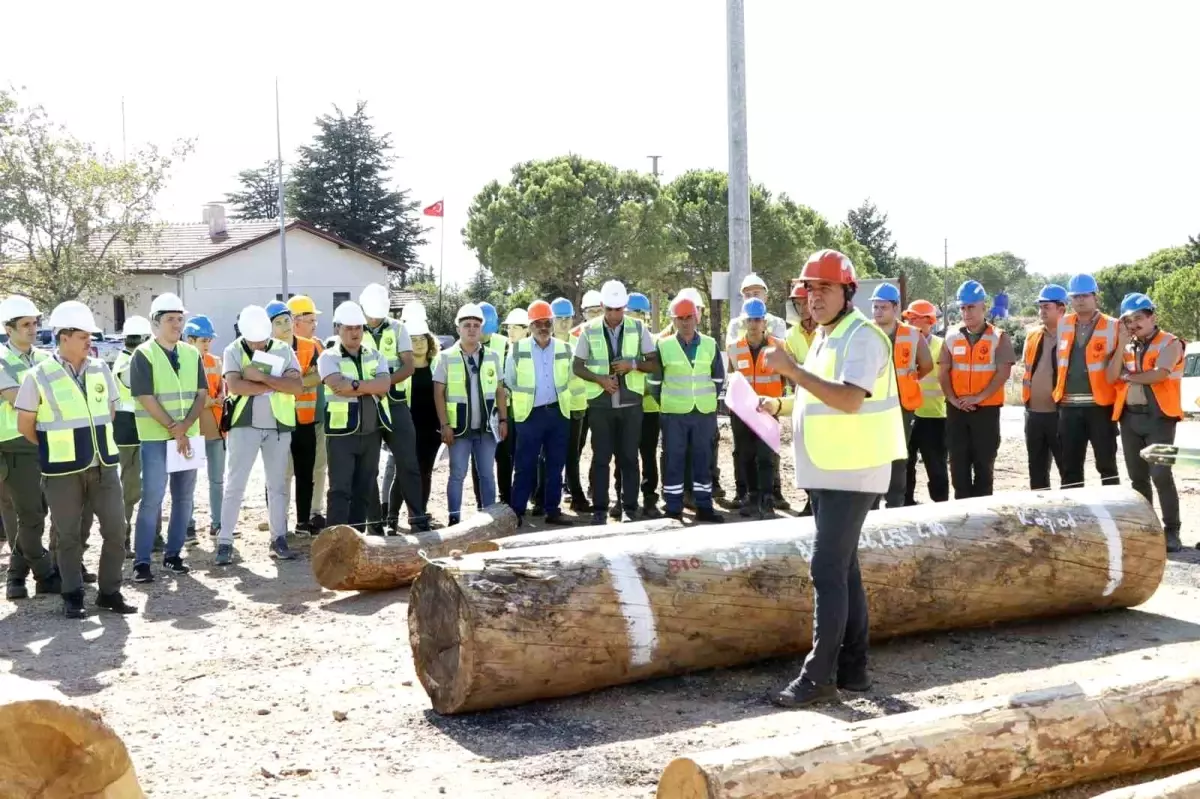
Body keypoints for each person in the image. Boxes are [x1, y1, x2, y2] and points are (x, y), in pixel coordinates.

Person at [760, 249, 905, 707]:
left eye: (824, 288)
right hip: (830, 468)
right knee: (845, 570)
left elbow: (848, 400)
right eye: (809, 289)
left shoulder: (861, 337)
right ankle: (853, 669)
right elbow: (818, 398)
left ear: (847, 292)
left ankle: (819, 676)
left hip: (852, 468)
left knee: (826, 569)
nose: (814, 297)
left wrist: (791, 372)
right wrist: (780, 404)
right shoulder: (828, 335)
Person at [15, 302, 135, 618]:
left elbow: (109, 411)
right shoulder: (38, 375)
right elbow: (25, 424)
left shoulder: (100, 368)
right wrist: (55, 447)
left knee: (115, 530)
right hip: (62, 470)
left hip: (104, 464)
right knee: (67, 535)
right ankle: (72, 594)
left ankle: (110, 593)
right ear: (64, 336)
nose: (89, 341)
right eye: (83, 336)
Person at [213, 305, 303, 566]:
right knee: (235, 484)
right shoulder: (233, 350)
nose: (258, 344)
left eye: (262, 340)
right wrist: (275, 384)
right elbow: (235, 385)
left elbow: (296, 386)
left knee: (278, 485)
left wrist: (260, 377)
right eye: (253, 341)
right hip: (244, 425)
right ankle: (225, 541)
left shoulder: (283, 349)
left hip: (278, 425)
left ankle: (279, 538)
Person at [131, 292, 207, 582]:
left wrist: (185, 426)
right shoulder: (144, 354)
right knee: (152, 498)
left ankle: (173, 556)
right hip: (156, 438)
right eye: (170, 319)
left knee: (184, 498)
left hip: (187, 436)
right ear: (156, 322)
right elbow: (144, 396)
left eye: (179, 319)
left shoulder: (191, 353)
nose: (177, 324)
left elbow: (201, 394)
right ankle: (142, 562)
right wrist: (175, 428)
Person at [573, 280, 658, 524]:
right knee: (601, 458)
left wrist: (632, 365)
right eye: (609, 309)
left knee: (629, 458)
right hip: (601, 405)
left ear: (625, 306)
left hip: (631, 405)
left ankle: (630, 509)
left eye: (618, 309)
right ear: (601, 306)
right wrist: (599, 379)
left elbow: (653, 363)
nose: (614, 314)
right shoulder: (588, 330)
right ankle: (600, 510)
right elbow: (577, 366)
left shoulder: (638, 328)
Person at [1107, 293, 1183, 552]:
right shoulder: (1127, 345)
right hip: (1130, 418)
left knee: (1161, 475)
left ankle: (1172, 531)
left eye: (1139, 318)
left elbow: (1159, 375)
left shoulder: (1170, 342)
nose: (1134, 324)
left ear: (1153, 317)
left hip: (1160, 419)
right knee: (1137, 478)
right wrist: (1119, 346)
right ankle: (1147, 530)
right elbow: (1110, 376)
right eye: (1129, 320)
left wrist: (1127, 377)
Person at [0, 294, 60, 600]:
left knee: (38, 511)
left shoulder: (44, 359)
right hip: (12, 445)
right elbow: (16, 399)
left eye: (35, 323)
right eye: (25, 324)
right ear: (8, 329)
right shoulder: (0, 359)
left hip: (41, 440)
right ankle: (44, 573)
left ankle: (17, 577)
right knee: (30, 515)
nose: (32, 329)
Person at [360, 284, 432, 533]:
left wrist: (383, 383)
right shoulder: (354, 329)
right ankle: (374, 523)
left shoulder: (399, 328)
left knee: (408, 463)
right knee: (369, 466)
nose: (375, 318)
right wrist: (372, 388)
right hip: (366, 404)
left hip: (396, 402)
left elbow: (408, 366)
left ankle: (417, 519)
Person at [317, 301, 393, 531]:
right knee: (340, 489)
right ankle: (336, 540)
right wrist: (370, 386)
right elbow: (337, 385)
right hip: (341, 434)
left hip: (371, 431)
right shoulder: (328, 357)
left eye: (358, 327)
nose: (354, 332)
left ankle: (357, 539)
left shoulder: (376, 355)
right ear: (338, 329)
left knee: (364, 487)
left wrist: (355, 385)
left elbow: (385, 384)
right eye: (349, 328)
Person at [939, 280, 1015, 499]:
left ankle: (982, 516)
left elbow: (1003, 373)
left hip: (986, 410)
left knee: (984, 463)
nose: (966, 312)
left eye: (971, 307)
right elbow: (943, 371)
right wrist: (952, 399)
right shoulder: (951, 336)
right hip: (957, 410)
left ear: (984, 306)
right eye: (963, 307)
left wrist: (978, 397)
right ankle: (960, 513)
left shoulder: (999, 337)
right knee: (957, 463)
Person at [435, 303, 507, 525]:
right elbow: (438, 393)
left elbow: (499, 391)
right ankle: (454, 520)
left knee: (487, 474)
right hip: (459, 429)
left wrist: (503, 420)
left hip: (486, 429)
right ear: (458, 328)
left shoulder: (493, 356)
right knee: (457, 475)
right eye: (467, 325)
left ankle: (489, 520)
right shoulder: (445, 357)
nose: (472, 329)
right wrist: (445, 425)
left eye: (476, 325)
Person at [657, 296, 724, 524]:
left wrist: (706, 400)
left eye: (689, 317)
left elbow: (717, 378)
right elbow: (655, 382)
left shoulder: (709, 343)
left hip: (703, 413)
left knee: (702, 459)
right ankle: (673, 507)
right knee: (674, 459)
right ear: (674, 321)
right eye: (680, 318)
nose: (685, 322)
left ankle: (704, 506)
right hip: (674, 414)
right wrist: (667, 403)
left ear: (696, 318)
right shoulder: (664, 345)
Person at [507, 300, 574, 527]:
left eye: (547, 322)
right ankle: (517, 511)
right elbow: (510, 381)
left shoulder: (565, 349)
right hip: (529, 416)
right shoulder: (517, 349)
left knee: (556, 465)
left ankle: (552, 510)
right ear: (530, 325)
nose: (543, 327)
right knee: (524, 465)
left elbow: (572, 380)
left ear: (552, 323)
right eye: (538, 323)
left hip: (558, 414)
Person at [1054, 273, 1120, 488]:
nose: (1080, 300)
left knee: (1106, 464)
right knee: (1070, 466)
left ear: (1095, 297)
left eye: (1084, 295)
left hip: (1100, 406)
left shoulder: (1113, 325)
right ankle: (1074, 515)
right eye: (1075, 296)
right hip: (1069, 406)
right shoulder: (1063, 324)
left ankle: (1114, 509)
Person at [869, 283, 932, 508]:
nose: (877, 311)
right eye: (875, 307)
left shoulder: (913, 335)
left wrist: (908, 381)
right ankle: (872, 503)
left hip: (902, 407)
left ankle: (895, 503)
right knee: (874, 457)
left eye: (882, 307)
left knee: (898, 457)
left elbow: (926, 365)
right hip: (872, 406)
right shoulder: (865, 332)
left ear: (895, 308)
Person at [266, 301, 323, 535]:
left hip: (305, 419)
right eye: (278, 323)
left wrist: (289, 384)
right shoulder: (266, 350)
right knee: (276, 475)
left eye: (287, 320)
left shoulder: (310, 346)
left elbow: (320, 374)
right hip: (277, 421)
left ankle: (302, 522)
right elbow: (265, 382)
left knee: (305, 473)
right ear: (270, 328)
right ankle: (277, 523)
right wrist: (300, 380)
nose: (284, 326)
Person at [727, 298, 783, 518]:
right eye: (750, 319)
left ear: (764, 322)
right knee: (746, 455)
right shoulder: (733, 348)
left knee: (766, 456)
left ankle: (767, 498)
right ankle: (751, 497)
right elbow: (731, 377)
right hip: (742, 412)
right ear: (744, 322)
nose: (753, 324)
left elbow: (786, 376)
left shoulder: (778, 347)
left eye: (757, 319)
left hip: (768, 409)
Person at [178, 315, 226, 543]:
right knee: (188, 481)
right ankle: (188, 526)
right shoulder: (180, 362)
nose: (207, 344)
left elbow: (222, 391)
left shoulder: (216, 362)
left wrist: (216, 401)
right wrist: (209, 402)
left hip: (215, 429)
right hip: (191, 430)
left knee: (217, 479)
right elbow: (188, 397)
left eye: (209, 340)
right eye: (202, 340)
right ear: (190, 339)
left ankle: (218, 523)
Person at [615, 291, 662, 518]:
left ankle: (650, 498)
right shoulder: (616, 343)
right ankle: (621, 498)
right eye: (632, 313)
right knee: (623, 455)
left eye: (640, 314)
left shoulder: (652, 341)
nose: (636, 318)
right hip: (625, 406)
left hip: (649, 408)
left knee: (648, 455)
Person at [112, 315, 152, 555]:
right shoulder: (128, 363)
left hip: (135, 426)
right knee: (131, 489)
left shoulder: (126, 359)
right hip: (130, 428)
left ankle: (145, 536)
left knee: (146, 485)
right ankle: (124, 537)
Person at [1021, 285, 1068, 491]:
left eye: (1046, 306)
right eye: (1040, 307)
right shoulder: (1032, 335)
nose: (1042, 311)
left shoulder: (1071, 335)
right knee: (1037, 470)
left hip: (1060, 414)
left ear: (1061, 309)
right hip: (1034, 413)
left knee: (1067, 469)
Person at [902, 300, 949, 504]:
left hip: (934, 416)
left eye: (915, 319)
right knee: (905, 465)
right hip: (908, 413)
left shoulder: (941, 346)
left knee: (936, 466)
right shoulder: (903, 345)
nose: (910, 323)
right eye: (909, 319)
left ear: (929, 321)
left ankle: (940, 505)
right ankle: (906, 503)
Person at [470, 301, 514, 509]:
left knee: (504, 458)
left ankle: (506, 501)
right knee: (479, 462)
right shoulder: (466, 345)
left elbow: (508, 377)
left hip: (500, 410)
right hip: (476, 413)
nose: (483, 337)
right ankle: (483, 505)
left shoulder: (504, 344)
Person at [288, 295, 327, 531]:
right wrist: (307, 379)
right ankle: (281, 518)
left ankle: (314, 513)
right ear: (295, 321)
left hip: (317, 417)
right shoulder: (281, 348)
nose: (314, 325)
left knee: (318, 468)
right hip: (287, 421)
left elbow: (321, 375)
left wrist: (295, 383)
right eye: (310, 319)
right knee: (285, 472)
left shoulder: (318, 346)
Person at [400, 308, 442, 510]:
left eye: (422, 339)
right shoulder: (402, 367)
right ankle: (394, 515)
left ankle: (420, 513)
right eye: (413, 339)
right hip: (407, 428)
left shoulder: (437, 365)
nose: (418, 343)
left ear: (429, 341)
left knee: (425, 472)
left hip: (431, 430)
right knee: (407, 472)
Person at [556, 297, 591, 513]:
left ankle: (575, 494)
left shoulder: (579, 343)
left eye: (567, 317)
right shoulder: (542, 343)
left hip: (576, 407)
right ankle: (543, 496)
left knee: (573, 453)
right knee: (547, 455)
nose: (563, 322)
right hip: (550, 407)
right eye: (558, 318)